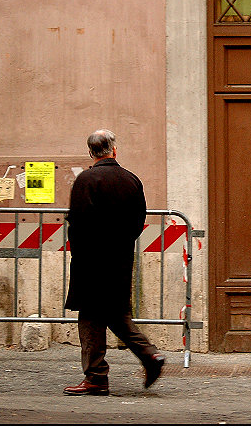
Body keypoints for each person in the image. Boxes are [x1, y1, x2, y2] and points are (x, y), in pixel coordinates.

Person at [63, 129, 164, 396]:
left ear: (90, 152)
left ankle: (97, 376)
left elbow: (78, 224)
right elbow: (138, 221)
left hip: (91, 262)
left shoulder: (86, 180)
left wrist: (83, 252)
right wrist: (121, 243)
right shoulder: (131, 180)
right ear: (114, 150)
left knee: (90, 318)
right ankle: (149, 356)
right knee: (116, 315)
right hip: (120, 259)